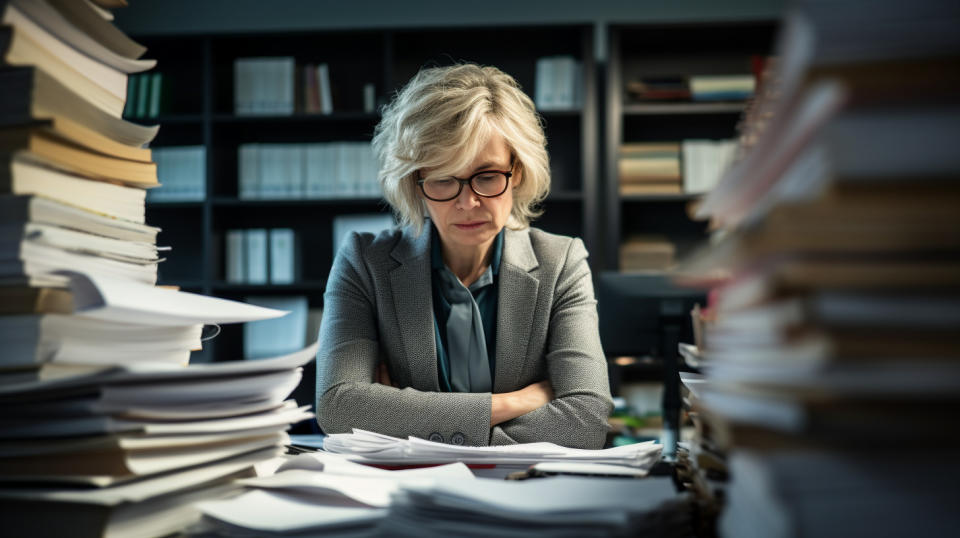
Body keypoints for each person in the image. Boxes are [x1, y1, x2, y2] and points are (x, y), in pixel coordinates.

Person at [315, 63, 611, 449]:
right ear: (415, 183)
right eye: (443, 180)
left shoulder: (561, 263)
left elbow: (586, 420)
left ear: (517, 171)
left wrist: (403, 420)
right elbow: (339, 408)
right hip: (407, 489)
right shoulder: (364, 263)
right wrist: (514, 403)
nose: (468, 202)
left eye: (487, 176)